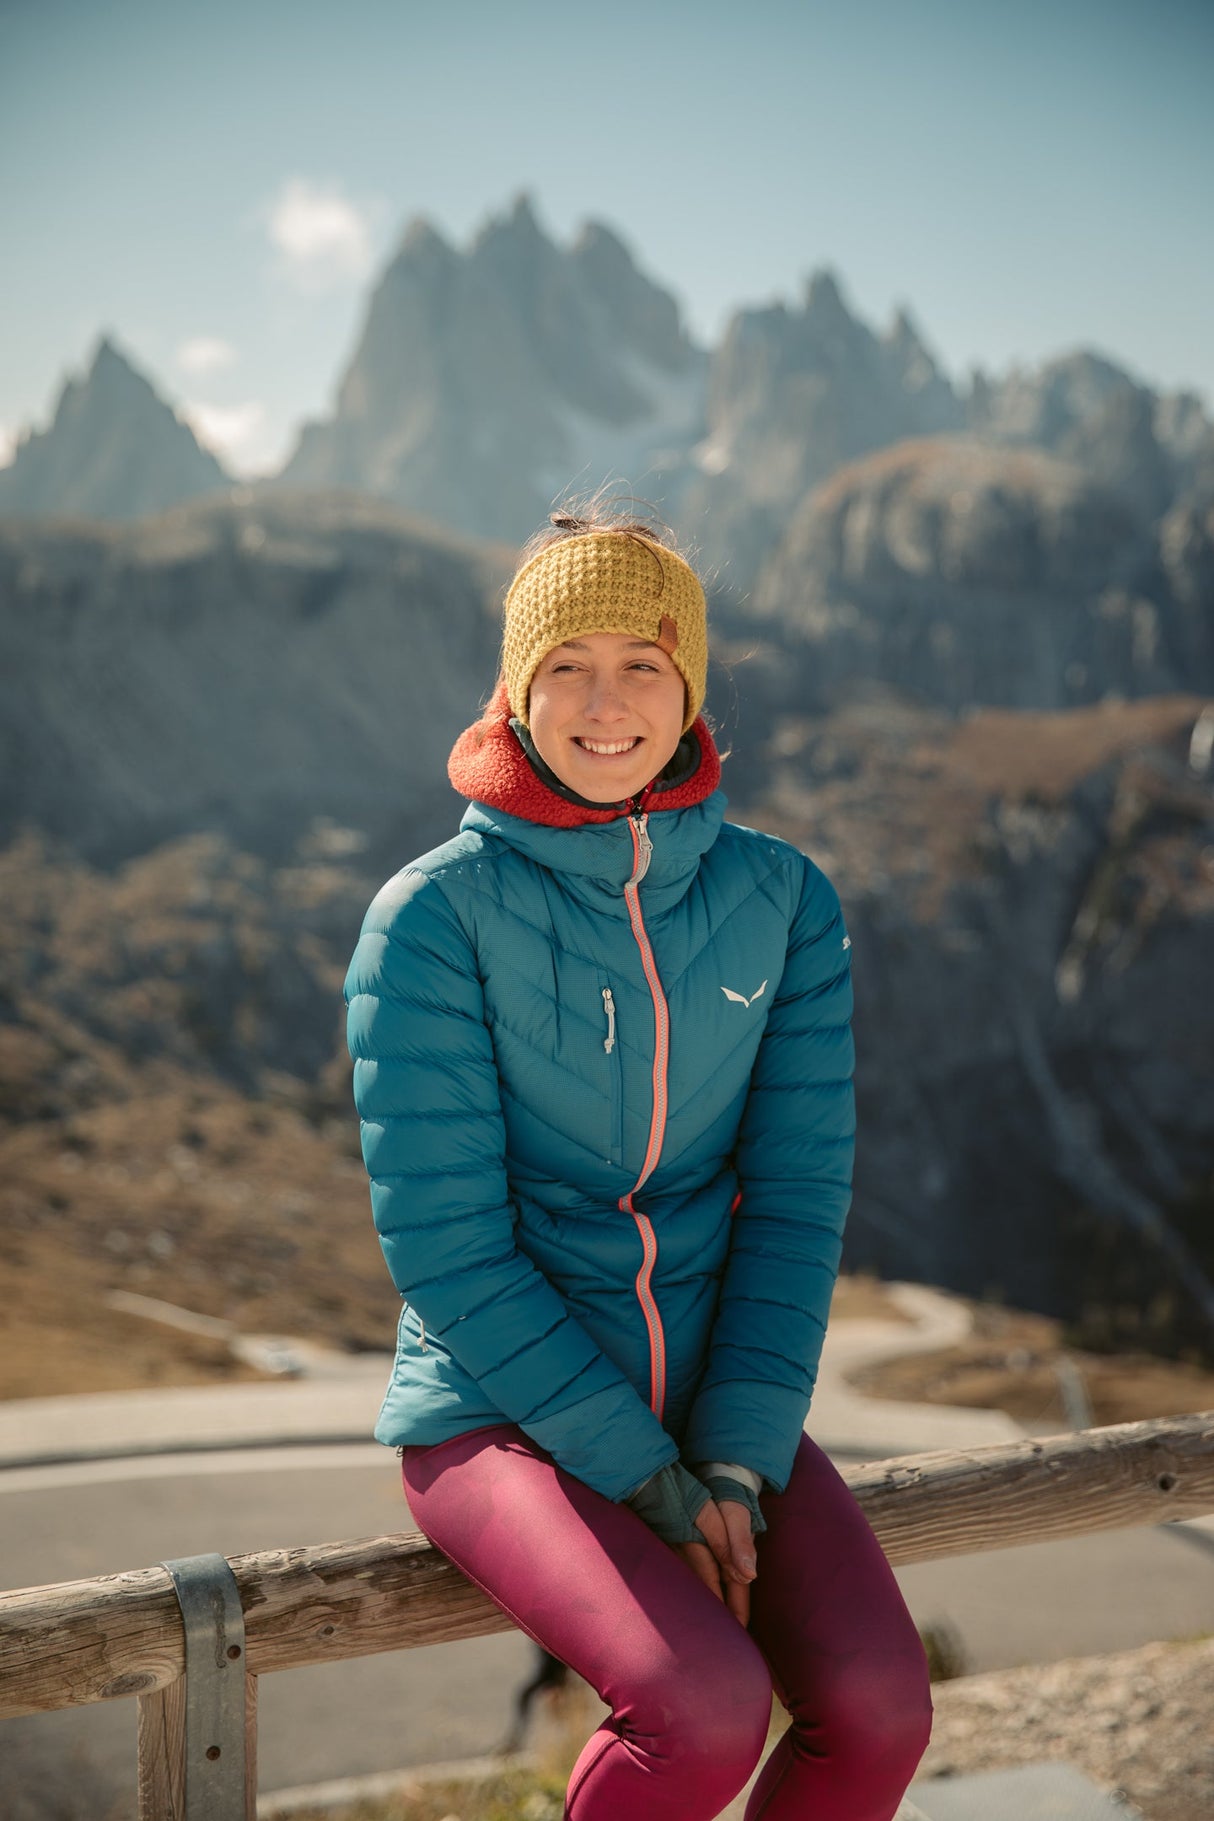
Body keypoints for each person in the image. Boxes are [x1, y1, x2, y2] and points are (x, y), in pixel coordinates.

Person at [344, 509, 932, 1820]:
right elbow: (450, 1252)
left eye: (644, 666)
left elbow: (793, 1197)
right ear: (514, 686)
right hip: (496, 1417)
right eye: (566, 664)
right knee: (702, 1710)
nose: (604, 704)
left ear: (691, 693)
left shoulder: (783, 900)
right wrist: (643, 1477)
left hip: (716, 1409)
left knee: (882, 1709)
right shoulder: (431, 918)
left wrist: (726, 1458)